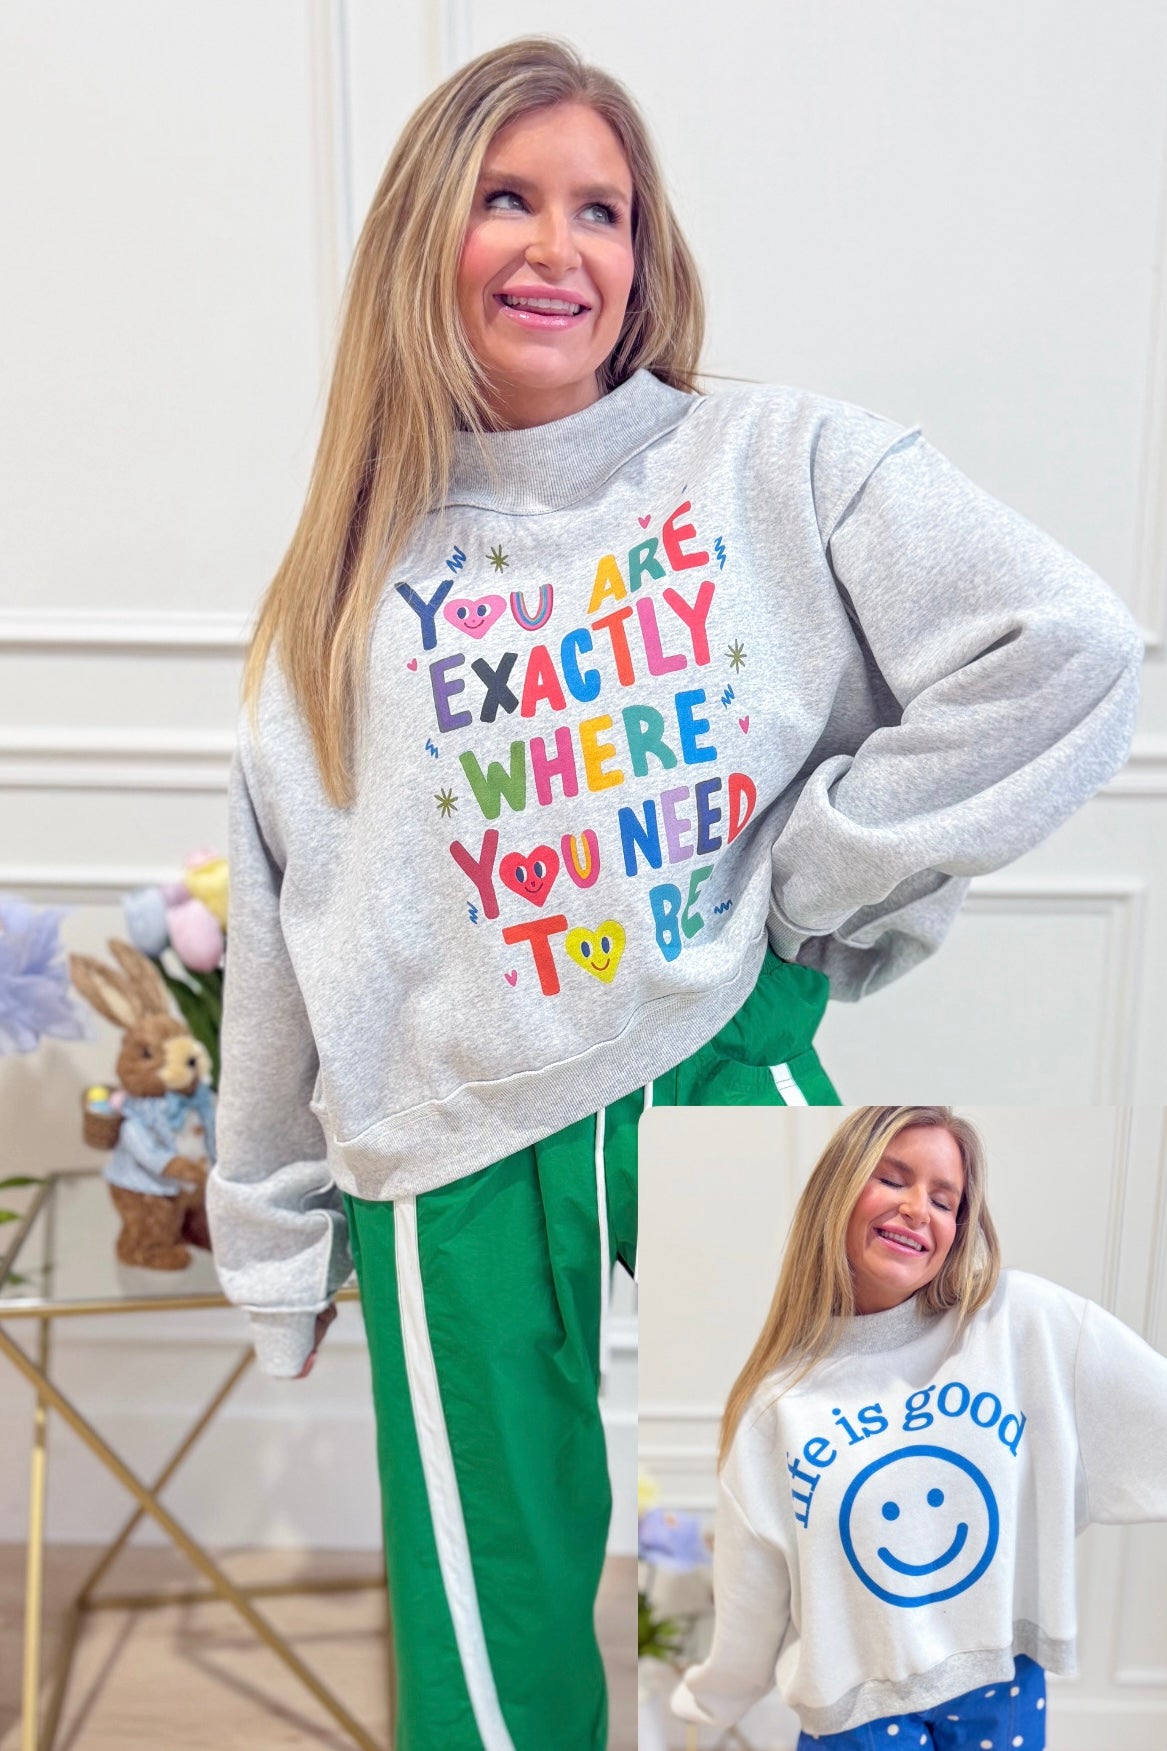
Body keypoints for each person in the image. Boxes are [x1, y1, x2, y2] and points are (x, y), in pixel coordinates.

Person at [205, 34, 1142, 1751]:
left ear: (644, 256)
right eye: (506, 198)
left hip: (711, 1053)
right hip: (448, 1147)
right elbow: (284, 918)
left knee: (853, 1491)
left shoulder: (775, 462)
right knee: (492, 1617)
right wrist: (272, 1228)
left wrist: (816, 878)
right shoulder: (343, 576)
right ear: (426, 235)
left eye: (602, 210)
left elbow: (1063, 649)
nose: (556, 246)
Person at [671, 1106, 1167, 1747]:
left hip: (1003, 1685)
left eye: (944, 1200)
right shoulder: (776, 1408)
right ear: (838, 1191)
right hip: (855, 1712)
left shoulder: (1021, 1324)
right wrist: (705, 1706)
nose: (916, 1209)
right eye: (892, 1178)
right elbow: (751, 1600)